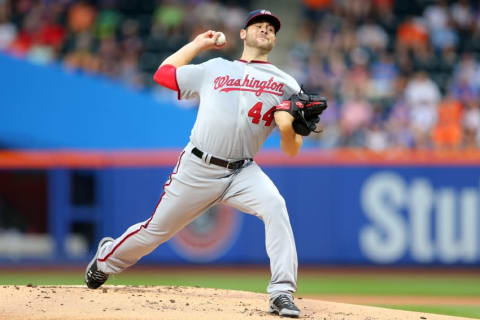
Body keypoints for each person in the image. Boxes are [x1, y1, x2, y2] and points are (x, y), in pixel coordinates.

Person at [85, 9, 304, 318]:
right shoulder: (215, 68)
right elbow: (163, 74)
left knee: (276, 207)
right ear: (243, 33)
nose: (265, 29)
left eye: (271, 27)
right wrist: (198, 44)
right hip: (198, 167)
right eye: (258, 25)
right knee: (154, 232)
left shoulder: (288, 85)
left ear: (276, 37)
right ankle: (106, 258)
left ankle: (281, 293)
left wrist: (288, 130)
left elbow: (292, 149)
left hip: (243, 171)